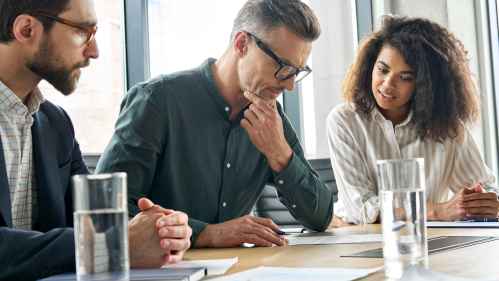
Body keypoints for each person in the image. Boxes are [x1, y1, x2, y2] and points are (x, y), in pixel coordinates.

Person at [96, 0, 334, 248]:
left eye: (298, 71)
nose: (290, 85)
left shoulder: (272, 120)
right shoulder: (157, 101)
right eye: (284, 67)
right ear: (242, 44)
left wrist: (280, 153)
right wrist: (204, 233)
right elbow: (104, 207)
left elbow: (320, 217)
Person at [0, 0, 191, 279]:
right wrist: (118, 243)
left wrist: (159, 231)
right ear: (27, 29)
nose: (95, 51)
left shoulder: (56, 125)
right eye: (82, 31)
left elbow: (93, 220)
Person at [326, 15, 499, 227]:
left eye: (405, 77)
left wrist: (481, 202)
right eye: (382, 70)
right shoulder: (344, 121)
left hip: (427, 239)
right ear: (370, 67)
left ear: (425, 85)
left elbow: (488, 188)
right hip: (355, 235)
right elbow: (362, 209)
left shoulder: (447, 127)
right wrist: (438, 211)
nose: (388, 84)